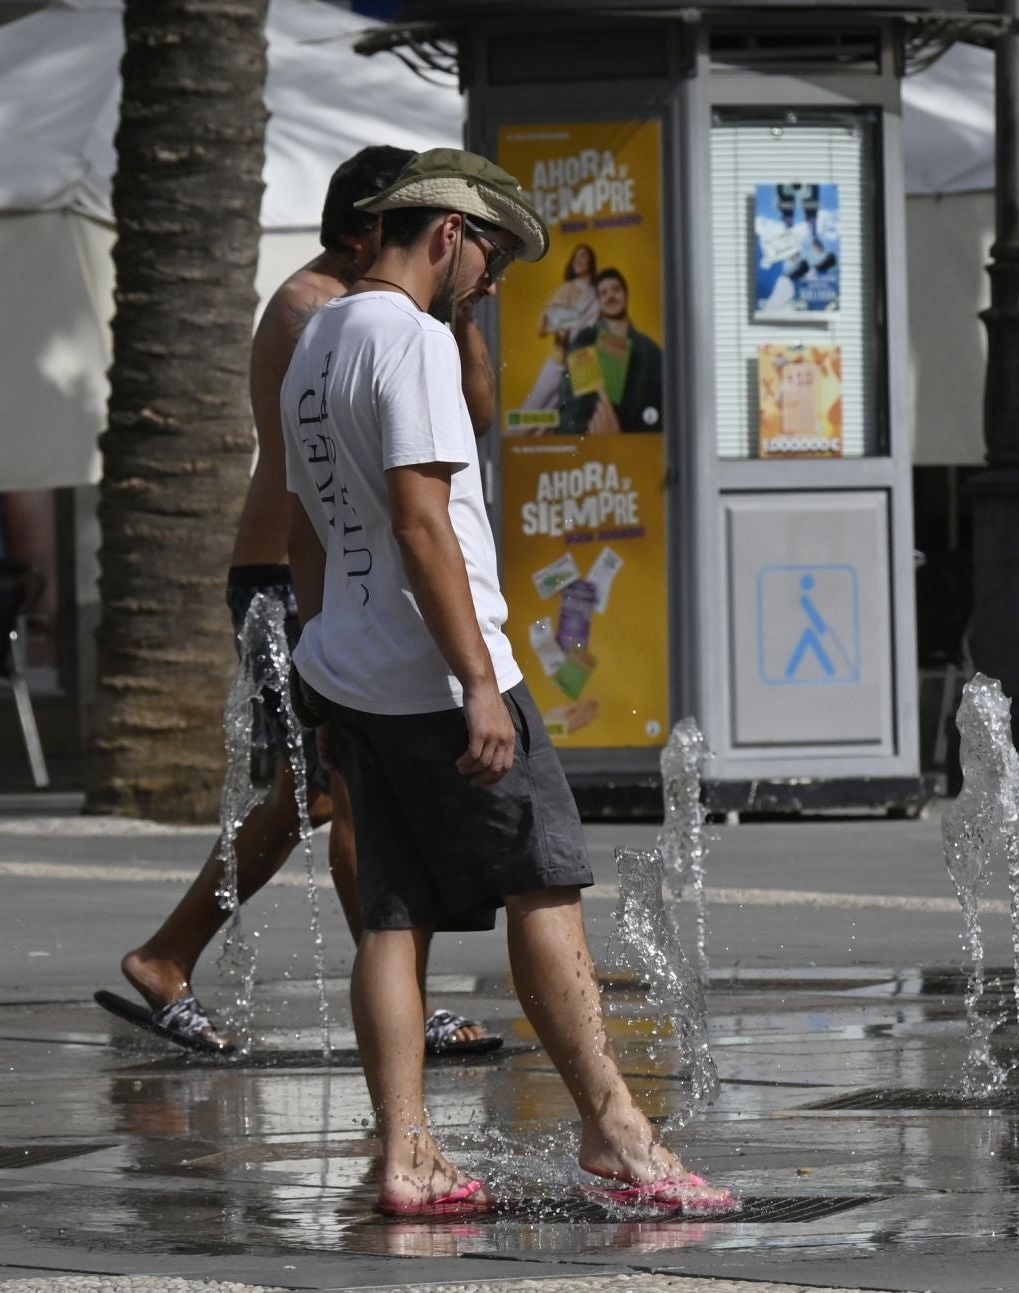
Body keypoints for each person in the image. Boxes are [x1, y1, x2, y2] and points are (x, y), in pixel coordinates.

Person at [282, 148, 736, 1217]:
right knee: (547, 884)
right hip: (440, 673)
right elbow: (420, 520)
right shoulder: (407, 342)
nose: (493, 282)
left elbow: (306, 522)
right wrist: (478, 682)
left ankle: (407, 1157)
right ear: (446, 233)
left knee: (392, 916)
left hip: (350, 667)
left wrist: (318, 653)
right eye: (491, 256)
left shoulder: (317, 339)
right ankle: (617, 1136)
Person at [104, 146, 499, 1059]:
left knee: (331, 791)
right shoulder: (313, 311)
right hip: (285, 573)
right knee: (331, 791)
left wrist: (467, 314)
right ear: (368, 230)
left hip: (333, 574)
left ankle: (178, 956)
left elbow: (473, 420)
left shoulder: (402, 316)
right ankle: (195, 959)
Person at [558, 267, 664, 436]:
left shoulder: (651, 351)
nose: (610, 296)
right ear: (599, 302)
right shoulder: (584, 342)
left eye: (616, 290)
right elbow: (571, 404)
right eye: (603, 293)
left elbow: (664, 411)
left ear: (626, 296)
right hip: (590, 447)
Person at [516, 242, 599, 415]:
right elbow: (543, 326)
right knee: (536, 407)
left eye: (583, 255)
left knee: (579, 413)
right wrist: (561, 326)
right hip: (561, 360)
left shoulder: (598, 292)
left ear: (591, 260)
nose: (578, 260)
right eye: (575, 257)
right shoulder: (567, 289)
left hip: (586, 360)